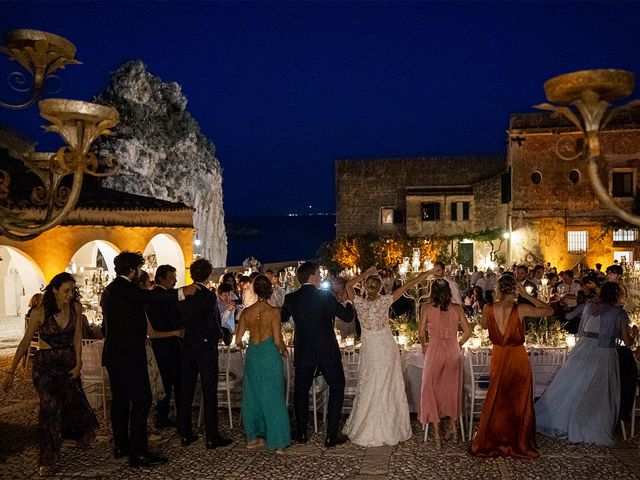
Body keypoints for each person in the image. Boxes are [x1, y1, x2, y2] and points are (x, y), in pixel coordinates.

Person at [101, 251, 198, 468]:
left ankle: (121, 446)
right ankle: (139, 454)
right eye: (139, 269)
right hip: (129, 356)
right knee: (142, 401)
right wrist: (182, 292)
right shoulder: (126, 289)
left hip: (113, 354)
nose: (141, 273)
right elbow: (152, 296)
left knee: (120, 402)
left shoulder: (110, 290)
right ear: (132, 270)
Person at [3, 273, 98, 477]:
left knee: (73, 402)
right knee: (50, 408)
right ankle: (48, 458)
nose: (70, 294)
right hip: (46, 366)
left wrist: (79, 362)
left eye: (73, 290)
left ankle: (74, 434)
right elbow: (25, 342)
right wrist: (10, 371)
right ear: (54, 290)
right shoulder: (40, 312)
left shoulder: (76, 307)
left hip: (68, 362)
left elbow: (78, 336)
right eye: (66, 290)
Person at [535, 282, 635, 445]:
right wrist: (634, 333)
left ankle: (562, 420)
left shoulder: (588, 307)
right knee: (599, 390)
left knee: (574, 385)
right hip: (603, 352)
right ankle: (589, 424)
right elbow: (627, 341)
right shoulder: (619, 313)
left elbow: (581, 328)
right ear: (617, 295)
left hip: (583, 348)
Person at [342, 267, 429, 447]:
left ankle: (368, 424)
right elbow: (409, 285)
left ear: (365, 287)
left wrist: (366, 273)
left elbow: (348, 284)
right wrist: (427, 273)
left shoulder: (358, 302)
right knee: (387, 383)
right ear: (381, 286)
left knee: (371, 383)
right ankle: (389, 426)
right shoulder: (384, 301)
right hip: (385, 347)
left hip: (370, 348)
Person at [469, 274, 553, 458]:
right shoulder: (520, 308)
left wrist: (491, 310)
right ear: (514, 290)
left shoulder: (488, 308)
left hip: (499, 355)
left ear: (499, 289)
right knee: (518, 399)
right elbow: (549, 311)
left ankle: (495, 437)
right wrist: (528, 296)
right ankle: (516, 440)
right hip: (517, 357)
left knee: (498, 396)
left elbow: (483, 326)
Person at [281, 262, 355, 447]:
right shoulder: (325, 296)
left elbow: (282, 318)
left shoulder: (291, 298)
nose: (320, 277)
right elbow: (347, 316)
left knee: (301, 392)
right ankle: (331, 435)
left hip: (304, 350)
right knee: (337, 387)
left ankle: (303, 434)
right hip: (326, 350)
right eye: (318, 274)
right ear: (312, 276)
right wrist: (348, 302)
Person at [177, 258, 233, 450]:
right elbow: (212, 322)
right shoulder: (208, 296)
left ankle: (185, 434)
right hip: (205, 347)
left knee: (186, 391)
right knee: (209, 392)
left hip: (187, 347)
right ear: (209, 275)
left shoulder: (183, 294)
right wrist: (223, 334)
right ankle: (211, 436)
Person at [235, 275, 290, 453]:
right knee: (274, 395)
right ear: (270, 290)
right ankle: (279, 442)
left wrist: (246, 343)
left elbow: (238, 340)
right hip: (269, 356)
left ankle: (253, 438)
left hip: (253, 355)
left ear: (255, 290)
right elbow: (277, 340)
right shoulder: (274, 311)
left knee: (252, 395)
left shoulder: (246, 312)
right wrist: (284, 350)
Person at [418, 279, 472, 448]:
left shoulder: (426, 308)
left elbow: (420, 334)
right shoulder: (457, 308)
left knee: (430, 390)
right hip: (452, 351)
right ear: (448, 292)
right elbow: (468, 332)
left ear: (432, 292)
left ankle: (436, 434)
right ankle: (454, 430)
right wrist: (458, 344)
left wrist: (424, 346)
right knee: (452, 389)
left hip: (434, 350)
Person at [145, 264, 184, 430]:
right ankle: (176, 418)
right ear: (160, 278)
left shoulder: (152, 296)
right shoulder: (164, 297)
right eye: (171, 278)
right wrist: (177, 331)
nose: (174, 281)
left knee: (165, 383)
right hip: (169, 344)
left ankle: (162, 416)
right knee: (175, 382)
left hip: (158, 346)